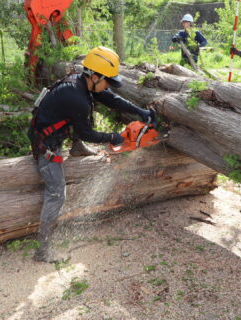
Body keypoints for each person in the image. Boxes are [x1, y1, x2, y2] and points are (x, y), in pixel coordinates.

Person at [28, 46, 155, 262]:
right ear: (95, 76)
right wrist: (114, 137)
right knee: (57, 194)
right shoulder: (77, 97)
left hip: (54, 126)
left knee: (83, 113)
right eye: (107, 81)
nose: (108, 86)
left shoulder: (82, 82)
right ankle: (42, 250)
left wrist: (141, 112)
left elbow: (112, 99)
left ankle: (76, 148)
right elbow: (87, 133)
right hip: (45, 144)